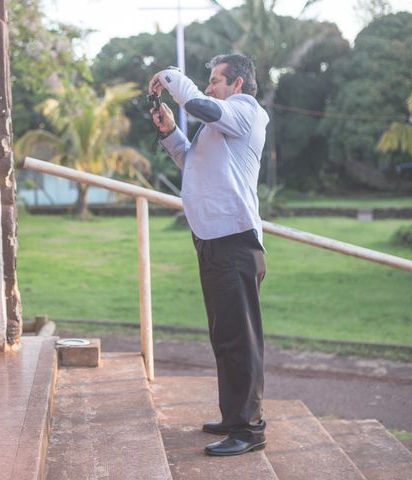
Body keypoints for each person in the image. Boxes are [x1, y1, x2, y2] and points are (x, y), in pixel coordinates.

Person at [148, 54, 269, 456]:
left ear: (237, 85)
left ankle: (248, 430)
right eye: (209, 80)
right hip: (213, 240)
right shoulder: (216, 128)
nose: (210, 85)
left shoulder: (245, 111)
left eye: (216, 79)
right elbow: (192, 164)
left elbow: (198, 104)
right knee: (225, 336)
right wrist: (170, 135)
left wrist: (169, 75)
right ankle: (233, 415)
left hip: (234, 241)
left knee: (240, 339)